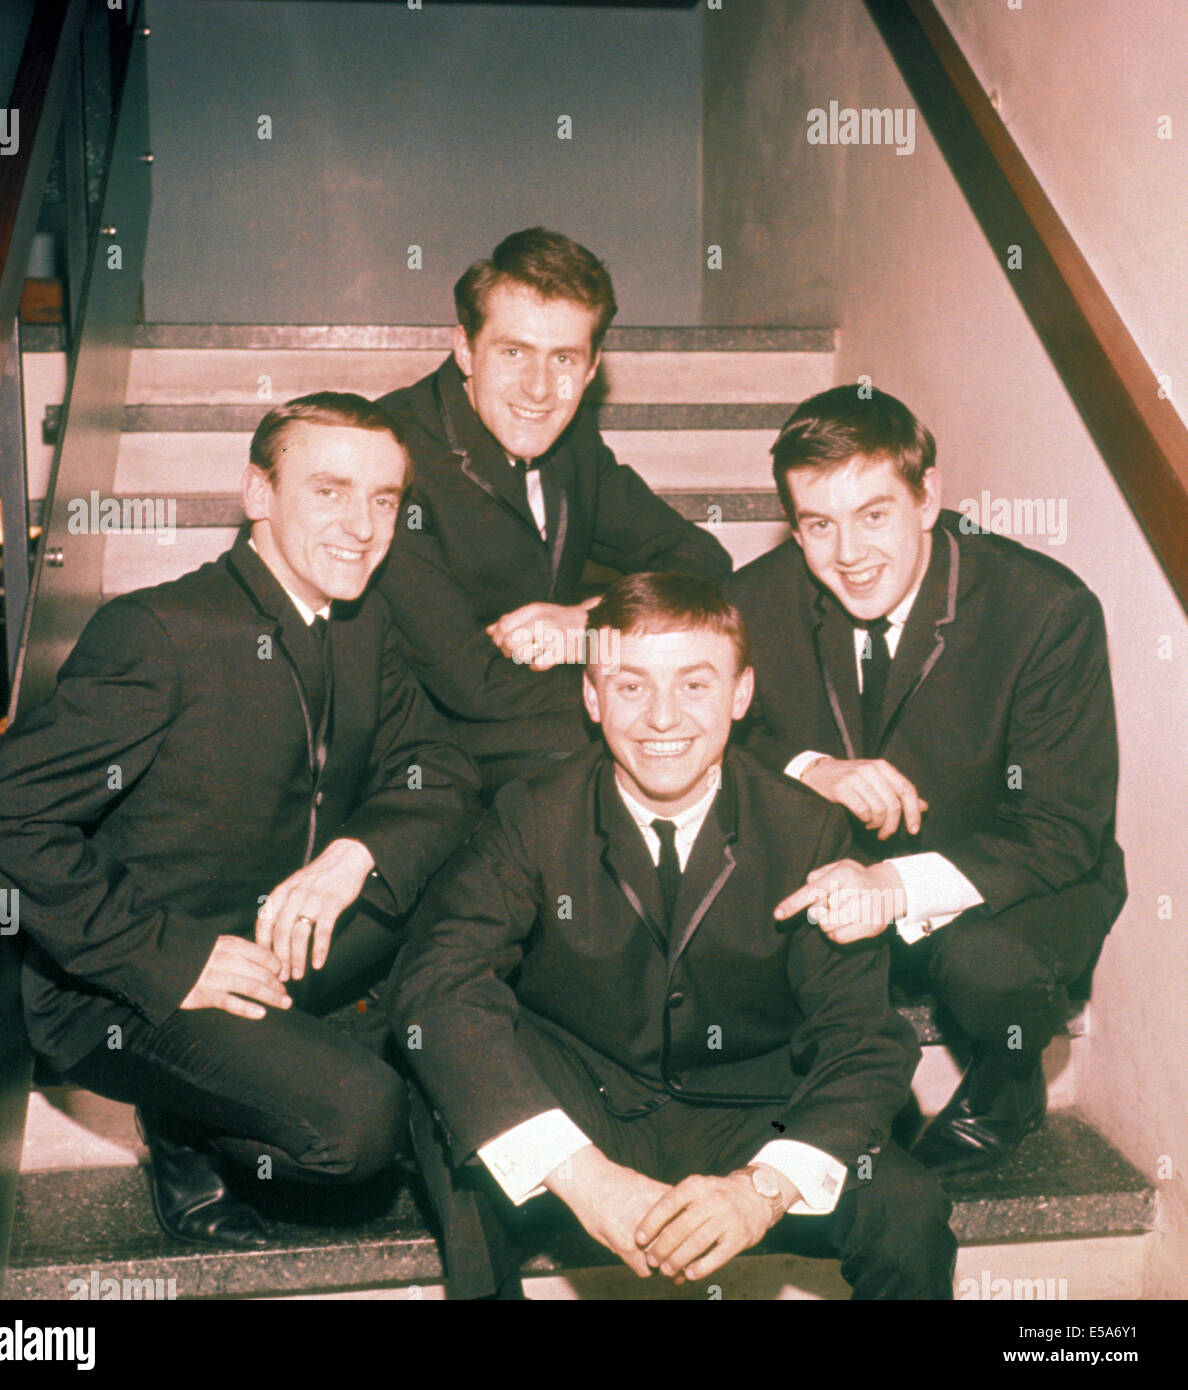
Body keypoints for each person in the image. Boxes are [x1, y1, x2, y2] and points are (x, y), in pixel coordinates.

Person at [0, 392, 481, 1247]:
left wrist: (354, 853)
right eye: (331, 491)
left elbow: (441, 770)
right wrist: (172, 958)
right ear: (258, 494)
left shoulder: (361, 623)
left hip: (275, 941)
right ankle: (183, 1118)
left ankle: (299, 1055)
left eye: (384, 500)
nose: (363, 525)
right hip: (127, 988)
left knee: (474, 869)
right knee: (360, 1126)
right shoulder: (160, 631)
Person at [388, 572, 955, 1299]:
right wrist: (586, 1177)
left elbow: (865, 1041)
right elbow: (435, 987)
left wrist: (762, 1191)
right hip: (584, 1102)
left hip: (748, 1114)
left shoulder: (808, 827)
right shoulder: (531, 813)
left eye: (694, 685)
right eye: (629, 687)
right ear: (591, 698)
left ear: (741, 694)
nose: (662, 717)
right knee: (454, 1088)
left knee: (907, 1209)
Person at [728, 385, 1125, 1176]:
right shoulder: (755, 598)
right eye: (818, 524)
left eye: (874, 514)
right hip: (836, 873)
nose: (847, 554)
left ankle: (1008, 1083)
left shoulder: (1046, 610)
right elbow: (695, 737)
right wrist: (812, 767)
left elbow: (1060, 831)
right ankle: (855, 1092)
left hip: (1015, 880)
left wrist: (895, 887)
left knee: (987, 968)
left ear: (928, 496)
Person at [376, 226, 732, 793]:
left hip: (534, 718)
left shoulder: (571, 439)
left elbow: (699, 555)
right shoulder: (391, 452)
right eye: (514, 352)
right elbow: (473, 685)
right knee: (682, 724)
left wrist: (589, 627)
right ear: (465, 348)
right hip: (422, 749)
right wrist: (635, 681)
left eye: (563, 358)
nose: (539, 389)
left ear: (592, 370)